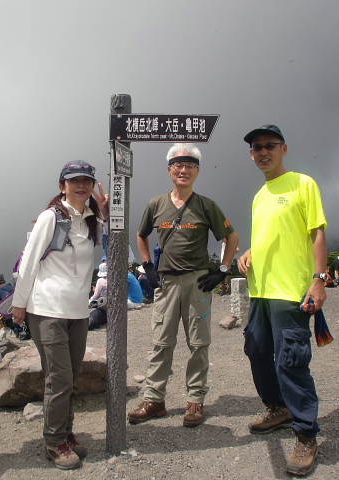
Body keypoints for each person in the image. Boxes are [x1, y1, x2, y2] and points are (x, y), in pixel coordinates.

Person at [127, 143, 239, 428]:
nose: (184, 169)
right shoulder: (156, 204)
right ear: (169, 170)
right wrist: (147, 267)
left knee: (198, 343)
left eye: (190, 165)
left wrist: (222, 270)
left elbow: (232, 238)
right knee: (161, 342)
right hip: (166, 283)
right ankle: (154, 399)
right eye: (178, 164)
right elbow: (141, 236)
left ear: (198, 171)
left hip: (198, 281)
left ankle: (195, 400)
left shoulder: (207, 205)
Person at [239, 124, 327, 476]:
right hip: (260, 289)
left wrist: (319, 280)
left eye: (269, 145)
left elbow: (317, 232)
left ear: (283, 149)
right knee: (257, 349)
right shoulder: (260, 195)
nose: (262, 152)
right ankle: (278, 408)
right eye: (256, 147)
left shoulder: (303, 184)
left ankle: (306, 434)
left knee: (291, 358)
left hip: (291, 290)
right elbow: (271, 235)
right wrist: (248, 251)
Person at [11, 160, 108, 469]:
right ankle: (54, 441)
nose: (81, 185)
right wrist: (19, 303)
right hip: (46, 309)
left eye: (87, 181)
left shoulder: (91, 220)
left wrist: (104, 212)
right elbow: (29, 262)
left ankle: (66, 433)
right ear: (61, 185)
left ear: (93, 186)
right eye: (74, 180)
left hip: (78, 311)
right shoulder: (50, 218)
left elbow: (112, 243)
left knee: (72, 374)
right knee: (60, 377)